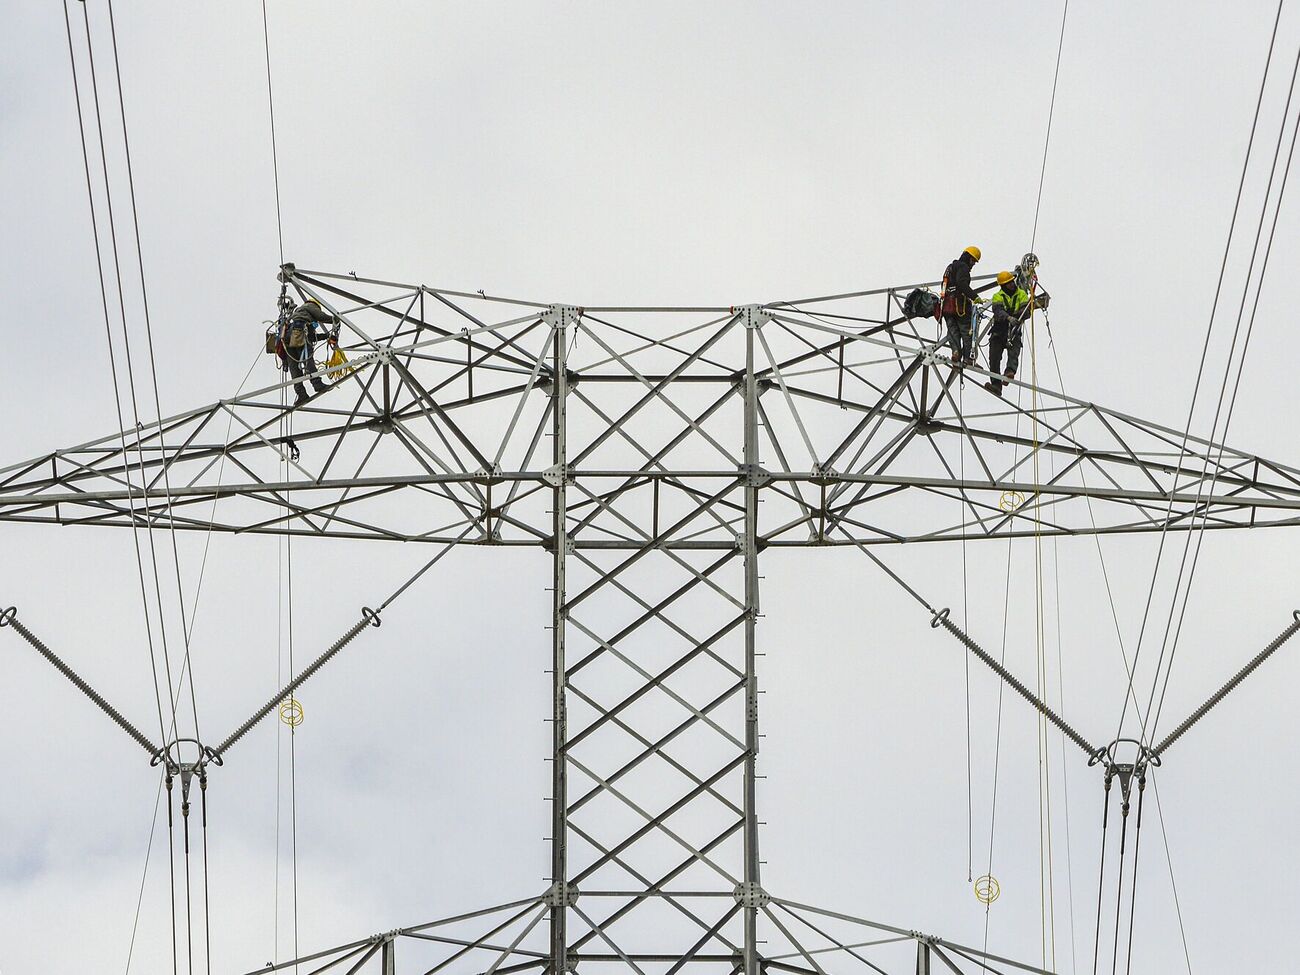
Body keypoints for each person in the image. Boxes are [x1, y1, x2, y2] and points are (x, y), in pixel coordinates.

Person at [983, 271, 1032, 396]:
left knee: (1014, 350)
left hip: (1014, 328)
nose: (1011, 285)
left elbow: (1026, 311)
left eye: (1011, 282)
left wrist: (1017, 317)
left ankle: (1010, 371)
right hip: (1000, 329)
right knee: (994, 357)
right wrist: (1008, 318)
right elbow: (997, 311)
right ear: (1003, 286)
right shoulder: (998, 296)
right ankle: (996, 384)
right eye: (1008, 283)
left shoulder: (1021, 294)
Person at [282, 297, 338, 405]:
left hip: (288, 339)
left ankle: (301, 394)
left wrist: (327, 336)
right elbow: (321, 316)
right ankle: (317, 384)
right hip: (299, 335)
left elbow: (312, 337)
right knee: (308, 361)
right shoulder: (309, 306)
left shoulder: (301, 317)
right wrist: (335, 319)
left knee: (294, 368)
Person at [941, 245, 982, 365]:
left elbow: (944, 285)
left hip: (947, 305)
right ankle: (969, 358)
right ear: (968, 257)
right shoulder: (963, 267)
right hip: (959, 306)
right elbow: (961, 284)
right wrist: (975, 297)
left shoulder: (950, 267)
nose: (973, 264)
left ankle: (956, 353)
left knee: (952, 331)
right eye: (973, 261)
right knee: (967, 331)